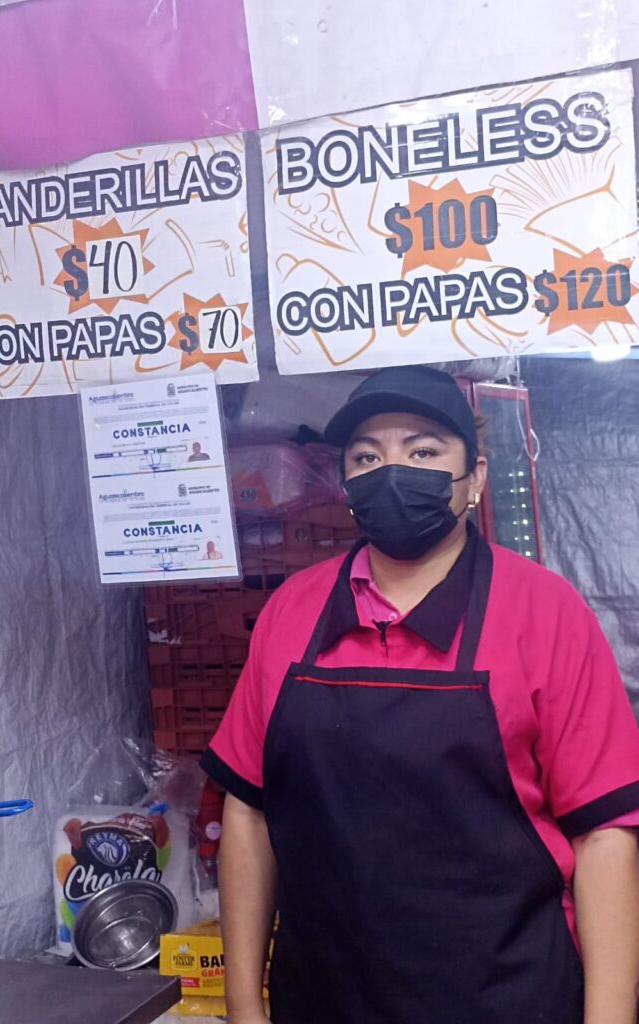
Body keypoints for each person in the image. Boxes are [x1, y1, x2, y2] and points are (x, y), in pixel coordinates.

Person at [201, 365, 639, 1024]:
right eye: (366, 457)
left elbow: (603, 837)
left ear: (475, 477)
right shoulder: (292, 609)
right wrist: (243, 1005)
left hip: (505, 999)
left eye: (424, 451)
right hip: (323, 999)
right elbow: (249, 812)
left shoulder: (545, 612)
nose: (392, 472)